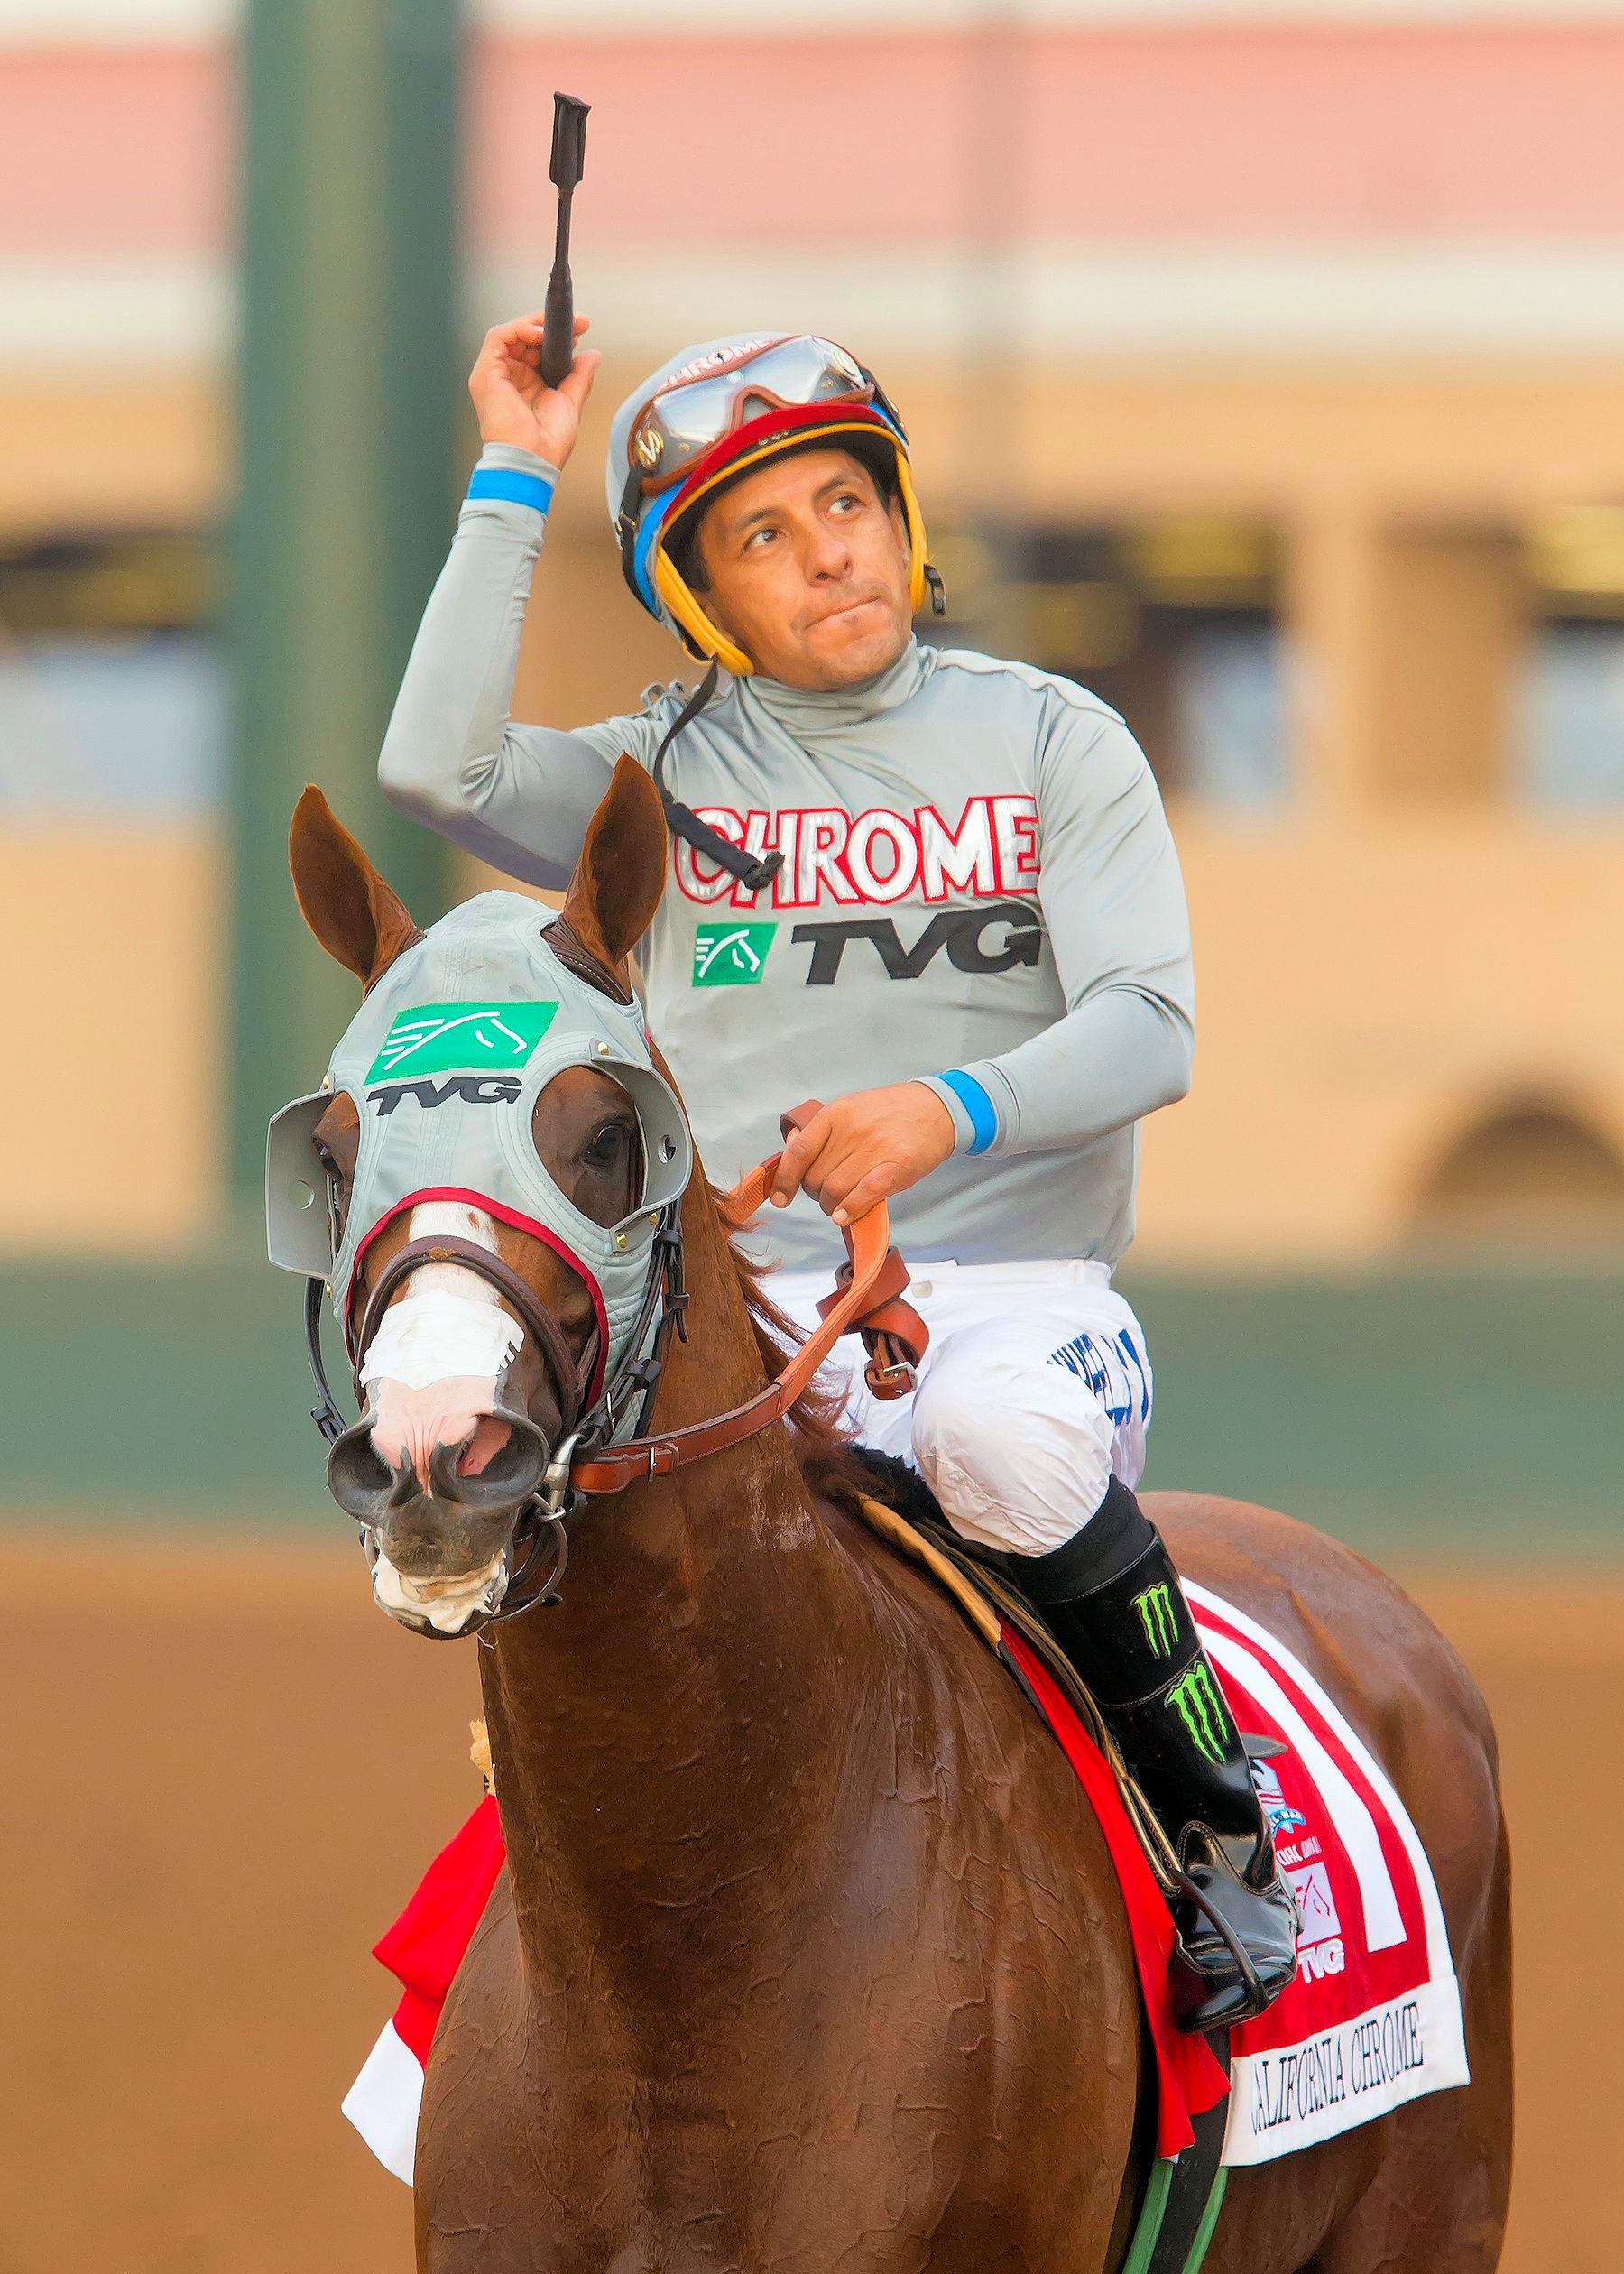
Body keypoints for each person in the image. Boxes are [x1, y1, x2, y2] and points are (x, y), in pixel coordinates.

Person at [378, 312, 1297, 2029]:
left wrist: (943, 1106)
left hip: (1013, 1311)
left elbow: (1150, 1029)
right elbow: (434, 768)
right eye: (765, 538)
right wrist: (515, 469)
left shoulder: (1054, 742)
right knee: (577, 1532)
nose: (830, 556)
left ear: (903, 515)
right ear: (704, 598)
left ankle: (1219, 1831)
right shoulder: (654, 775)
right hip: (738, 1320)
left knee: (995, 1446)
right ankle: (517, 2001)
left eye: (847, 506)